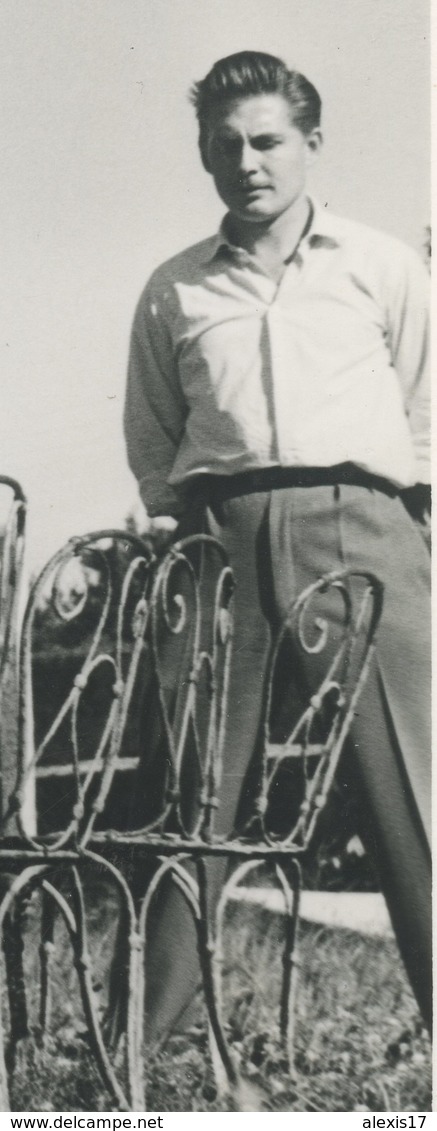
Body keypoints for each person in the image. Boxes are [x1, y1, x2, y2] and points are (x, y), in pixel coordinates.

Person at [124, 51, 431, 1050]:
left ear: (308, 143)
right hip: (216, 542)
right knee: (193, 791)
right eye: (223, 145)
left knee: (410, 792)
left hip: (362, 529)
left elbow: (423, 403)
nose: (244, 162)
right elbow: (154, 433)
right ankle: (141, 1045)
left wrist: (405, 520)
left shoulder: (378, 263)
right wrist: (183, 527)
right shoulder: (173, 289)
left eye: (264, 140)